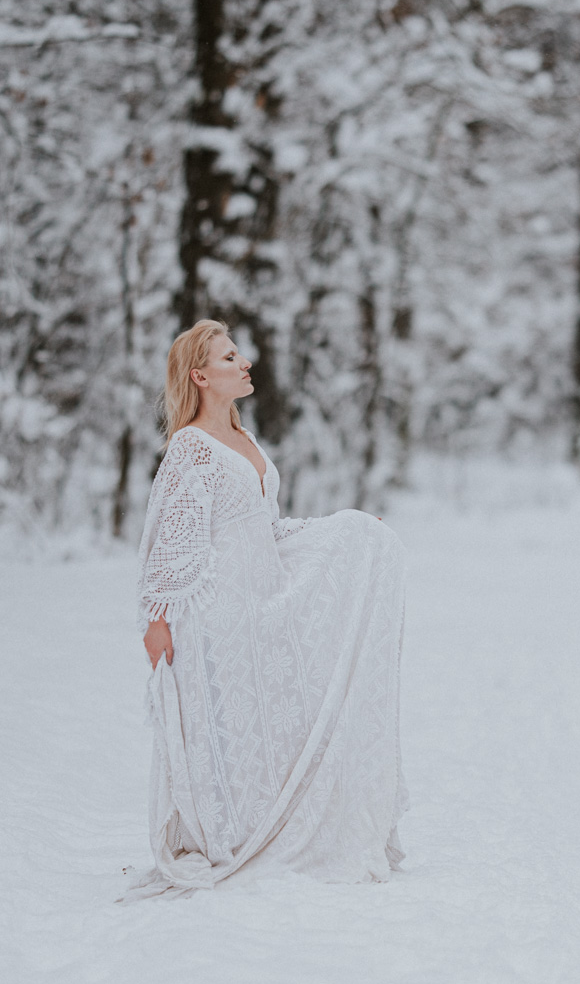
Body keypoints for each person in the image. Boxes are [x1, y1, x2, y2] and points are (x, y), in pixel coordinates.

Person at [130, 319, 408, 895]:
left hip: (258, 603)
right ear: (201, 376)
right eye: (229, 358)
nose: (244, 363)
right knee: (231, 729)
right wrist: (157, 619)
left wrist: (348, 531)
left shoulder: (246, 441)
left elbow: (266, 531)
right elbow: (171, 540)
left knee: (275, 718)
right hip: (215, 612)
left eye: (240, 355)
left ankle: (276, 828)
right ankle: (226, 834)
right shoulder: (191, 447)